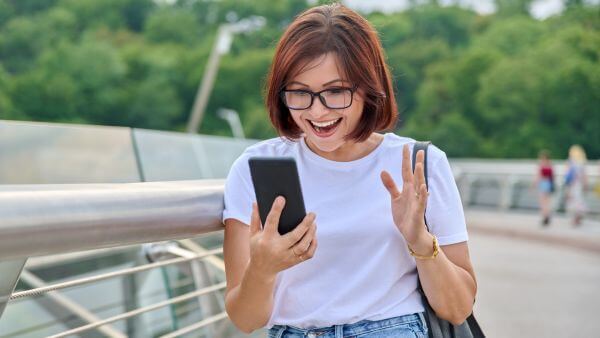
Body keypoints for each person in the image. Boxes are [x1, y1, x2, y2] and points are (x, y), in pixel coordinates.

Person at [222, 4, 477, 337]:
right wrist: (262, 270)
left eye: (335, 92)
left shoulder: (419, 165)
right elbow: (245, 320)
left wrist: (420, 241)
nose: (317, 110)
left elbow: (458, 308)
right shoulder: (253, 170)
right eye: (300, 93)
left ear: (367, 87)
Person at [564, 145, 588, 226]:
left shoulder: (570, 162)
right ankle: (578, 217)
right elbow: (584, 175)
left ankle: (574, 218)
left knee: (572, 201)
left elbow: (567, 175)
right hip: (579, 185)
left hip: (572, 184)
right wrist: (585, 185)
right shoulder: (581, 162)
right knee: (579, 200)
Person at [536, 150, 555, 226]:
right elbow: (553, 176)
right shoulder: (550, 164)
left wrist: (534, 185)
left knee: (542, 202)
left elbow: (538, 176)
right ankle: (547, 216)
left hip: (543, 183)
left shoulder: (541, 165)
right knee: (547, 202)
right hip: (549, 183)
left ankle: (544, 217)